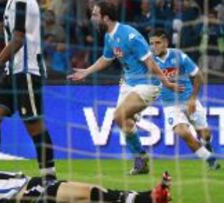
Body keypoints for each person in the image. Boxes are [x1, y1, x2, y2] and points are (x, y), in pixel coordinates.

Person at [67, 1, 183, 175]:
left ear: (106, 18)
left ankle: (141, 158)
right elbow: (107, 59)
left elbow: (150, 62)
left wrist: (166, 83)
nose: (93, 18)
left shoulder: (129, 36)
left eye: (96, 15)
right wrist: (86, 72)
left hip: (147, 83)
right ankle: (141, 159)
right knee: (123, 122)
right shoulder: (109, 36)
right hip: (128, 83)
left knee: (119, 114)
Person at [0, 0, 56, 179]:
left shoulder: (22, 2)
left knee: (34, 126)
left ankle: (49, 179)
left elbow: (18, 40)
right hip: (12, 72)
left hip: (27, 72)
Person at [149, 29, 221, 170]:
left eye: (157, 42)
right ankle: (210, 159)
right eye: (151, 43)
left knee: (204, 134)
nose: (154, 46)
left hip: (188, 100)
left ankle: (207, 144)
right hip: (170, 105)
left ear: (165, 42)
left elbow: (198, 75)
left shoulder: (178, 56)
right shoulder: (149, 60)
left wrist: (193, 99)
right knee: (183, 132)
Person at [0, 170, 172, 203]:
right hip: (27, 193)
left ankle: (147, 197)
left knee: (88, 193)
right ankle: (146, 198)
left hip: (30, 185)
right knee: (85, 194)